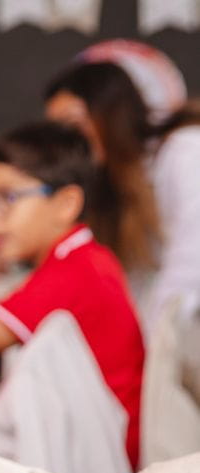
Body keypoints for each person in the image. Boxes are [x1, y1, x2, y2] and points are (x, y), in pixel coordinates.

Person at [0, 121, 144, 469]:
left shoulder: (73, 273)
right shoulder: (83, 256)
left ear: (66, 203)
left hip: (96, 462)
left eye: (8, 198)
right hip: (95, 440)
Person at [45, 60, 200, 325]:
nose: (68, 142)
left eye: (73, 125)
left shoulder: (185, 151)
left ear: (111, 113)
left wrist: (151, 357)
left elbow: (190, 267)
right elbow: (133, 286)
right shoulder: (116, 190)